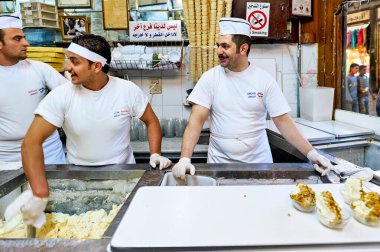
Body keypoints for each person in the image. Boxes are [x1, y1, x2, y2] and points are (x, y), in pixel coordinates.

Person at [16, 34, 172, 226]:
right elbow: (31, 143)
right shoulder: (61, 96)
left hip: (124, 177)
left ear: (96, 66)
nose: (66, 67)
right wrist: (39, 192)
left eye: (74, 61)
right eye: (68, 59)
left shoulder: (126, 90)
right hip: (79, 181)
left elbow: (151, 121)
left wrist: (155, 154)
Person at [171, 17, 332, 180]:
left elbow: (283, 121)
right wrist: (185, 158)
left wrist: (311, 153)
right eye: (218, 45)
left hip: (259, 163)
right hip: (219, 164)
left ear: (243, 48)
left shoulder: (264, 80)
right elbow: (195, 121)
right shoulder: (210, 78)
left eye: (225, 46)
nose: (219, 51)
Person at [0, 13, 66, 164]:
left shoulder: (40, 69)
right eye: (18, 39)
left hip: (48, 154)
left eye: (24, 37)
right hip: (6, 159)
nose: (26, 43)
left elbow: (72, 96)